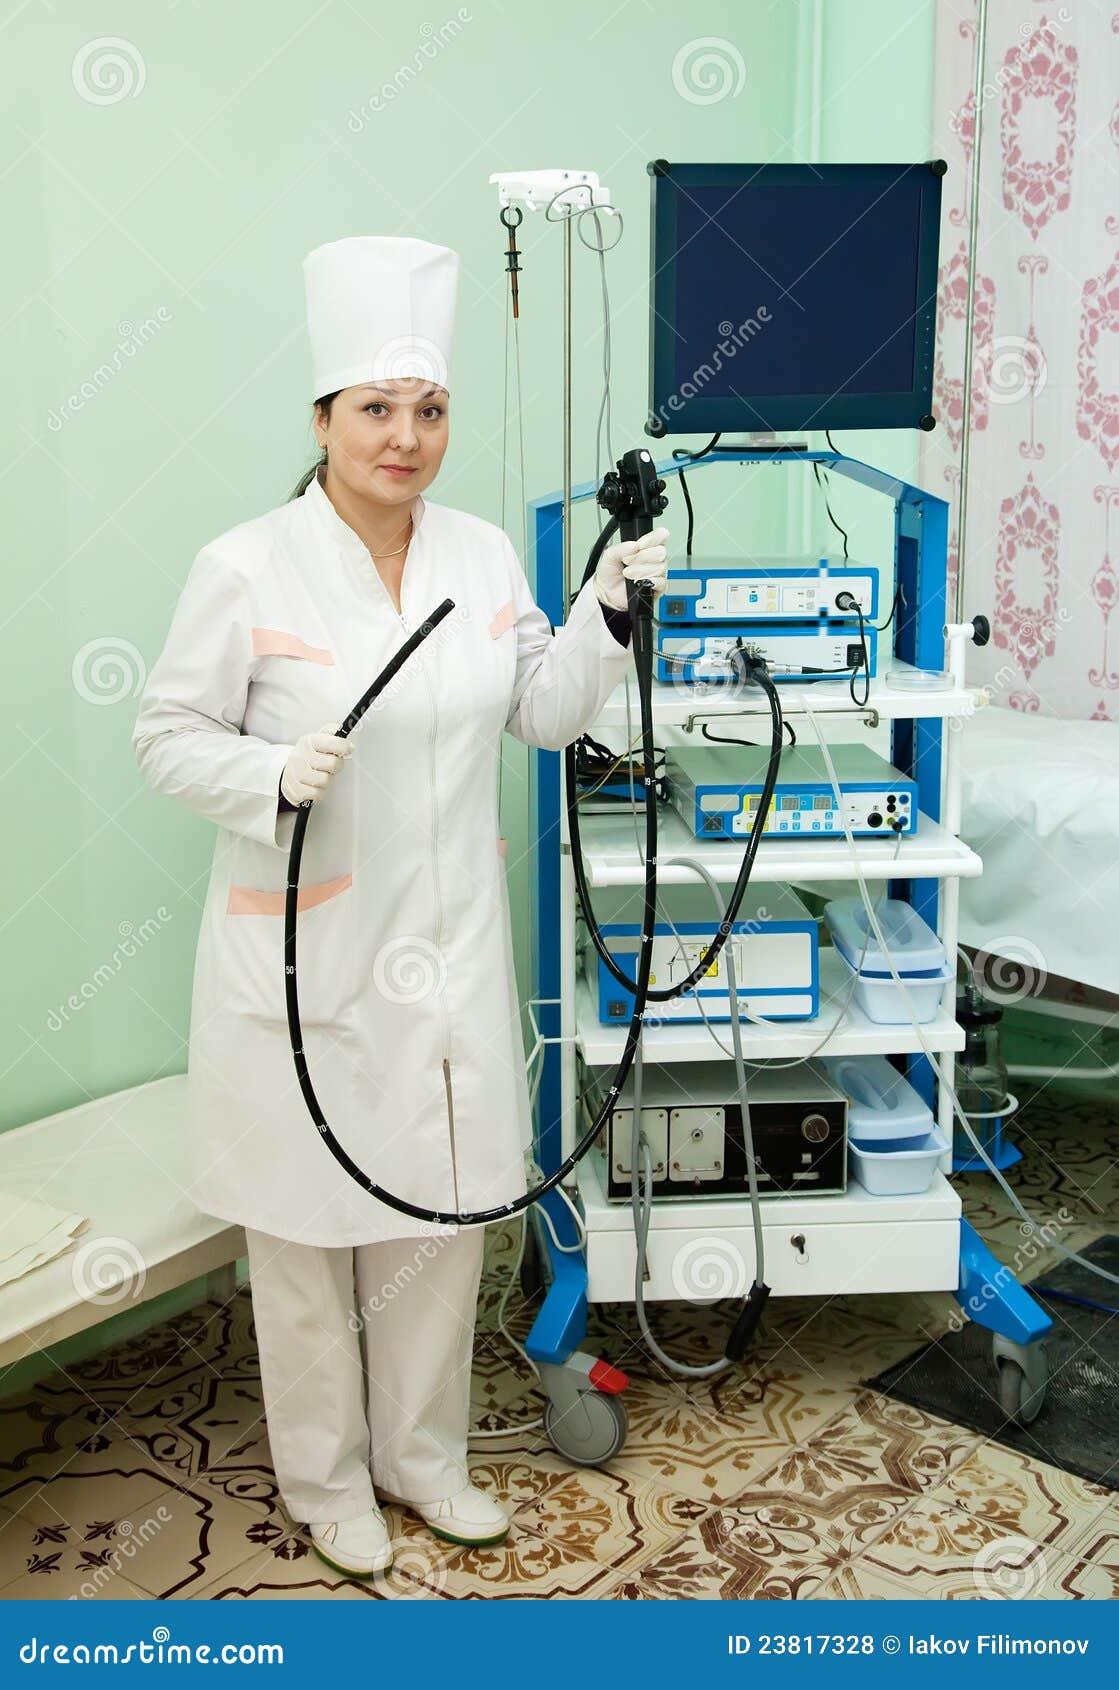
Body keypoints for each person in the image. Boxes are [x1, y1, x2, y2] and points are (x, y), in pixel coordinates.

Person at [132, 234, 669, 1579]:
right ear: (323, 420)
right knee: (308, 1238)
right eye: (376, 408)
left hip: (451, 950)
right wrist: (266, 770)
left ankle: (423, 1457)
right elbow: (165, 732)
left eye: (428, 410)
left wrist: (607, 611)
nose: (406, 435)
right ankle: (326, 1484)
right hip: (306, 959)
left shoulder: (484, 559)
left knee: (439, 1220)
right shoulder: (246, 565)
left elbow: (543, 714)